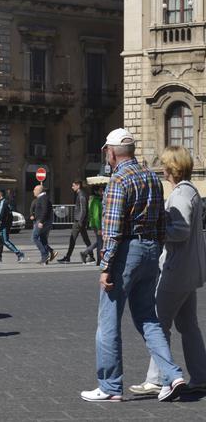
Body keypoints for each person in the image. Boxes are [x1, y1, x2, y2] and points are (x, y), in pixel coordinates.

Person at [81, 128, 185, 403]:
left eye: (106, 151)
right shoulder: (151, 176)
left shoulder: (118, 180)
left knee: (108, 321)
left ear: (111, 152)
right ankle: (172, 375)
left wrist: (105, 267)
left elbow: (112, 230)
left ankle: (110, 386)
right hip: (150, 250)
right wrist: (156, 248)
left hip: (127, 252)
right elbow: (162, 219)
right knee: (149, 319)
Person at [129, 146, 206, 396]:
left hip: (175, 270)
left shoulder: (181, 194)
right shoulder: (189, 191)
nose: (161, 168)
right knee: (188, 325)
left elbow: (180, 231)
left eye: (164, 164)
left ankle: (157, 378)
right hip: (188, 270)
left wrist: (157, 230)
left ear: (172, 167)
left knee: (158, 324)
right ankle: (201, 374)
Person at [58, 180, 91, 263]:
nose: (72, 187)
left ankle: (68, 257)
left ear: (78, 186)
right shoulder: (80, 194)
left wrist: (80, 221)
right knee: (85, 239)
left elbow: (83, 210)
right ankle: (91, 256)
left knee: (73, 239)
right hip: (80, 220)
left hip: (79, 221)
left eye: (73, 186)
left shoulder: (81, 195)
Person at [0, 190, 25, 263]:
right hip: (5, 224)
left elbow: (1, 214)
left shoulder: (3, 202)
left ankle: (19, 254)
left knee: (5, 241)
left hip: (5, 225)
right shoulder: (6, 202)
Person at [31, 185, 55, 265]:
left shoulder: (43, 198)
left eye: (35, 189)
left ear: (39, 190)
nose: (33, 191)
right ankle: (45, 258)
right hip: (43, 221)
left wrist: (41, 221)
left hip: (42, 221)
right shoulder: (41, 198)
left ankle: (45, 255)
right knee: (43, 238)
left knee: (34, 237)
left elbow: (45, 210)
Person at [81, 184, 104, 265]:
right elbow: (96, 216)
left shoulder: (96, 200)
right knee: (100, 242)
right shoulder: (96, 201)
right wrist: (99, 228)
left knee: (100, 241)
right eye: (100, 190)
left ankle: (85, 253)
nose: (102, 192)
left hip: (96, 224)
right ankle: (99, 260)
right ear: (96, 191)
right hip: (98, 225)